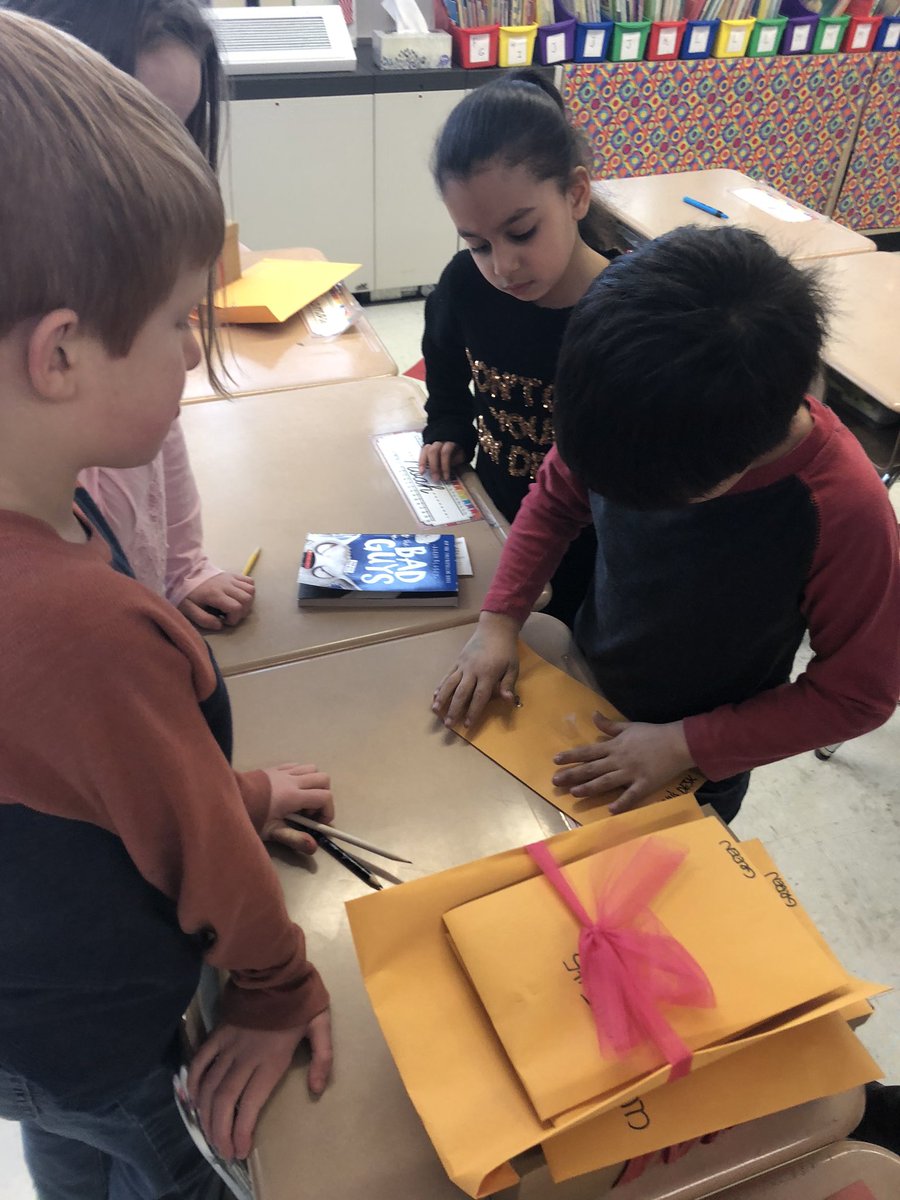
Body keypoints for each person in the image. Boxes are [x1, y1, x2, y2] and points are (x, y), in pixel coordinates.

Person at [0, 13, 333, 1197]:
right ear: (62, 356)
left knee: (62, 1142)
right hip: (115, 1037)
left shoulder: (53, 529)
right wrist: (276, 986)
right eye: (178, 325)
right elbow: (203, 860)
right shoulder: (84, 626)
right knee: (172, 1165)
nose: (193, 357)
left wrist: (228, 791)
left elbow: (80, 791)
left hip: (23, 1039)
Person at [432, 225, 900, 823]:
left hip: (695, 759)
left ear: (730, 463)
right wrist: (500, 619)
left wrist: (687, 745)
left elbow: (858, 693)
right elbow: (553, 498)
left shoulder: (842, 509)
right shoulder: (628, 409)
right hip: (584, 679)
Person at [3, 0, 252, 632]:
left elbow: (161, 433)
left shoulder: (118, 348)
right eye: (140, 118)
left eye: (181, 127)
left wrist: (182, 569)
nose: (166, 154)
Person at [418, 70, 617, 628]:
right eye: (478, 244)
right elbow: (442, 356)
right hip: (497, 518)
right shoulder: (465, 285)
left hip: (598, 554)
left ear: (576, 194)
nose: (502, 267)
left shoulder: (627, 313)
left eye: (522, 232)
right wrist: (449, 425)